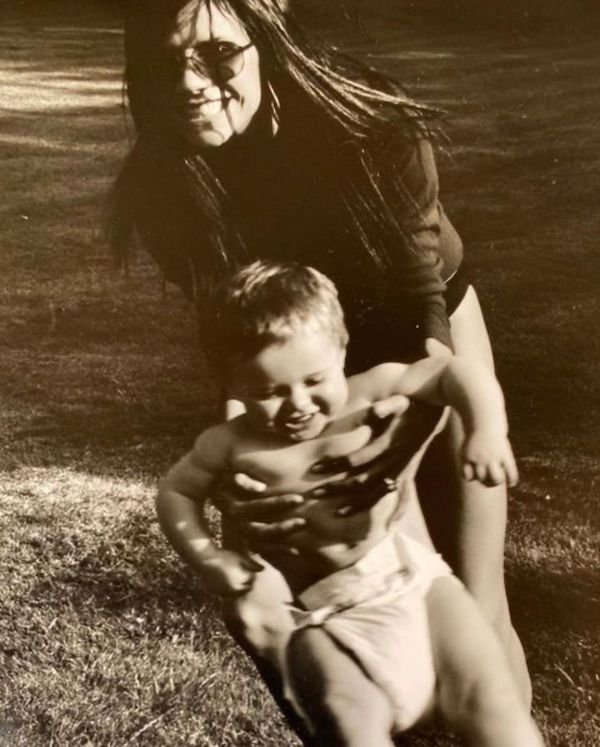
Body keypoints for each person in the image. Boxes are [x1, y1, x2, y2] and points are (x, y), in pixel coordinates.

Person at [113, 0, 530, 704]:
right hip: (297, 360)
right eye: (163, 62)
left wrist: (387, 461)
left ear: (267, 42)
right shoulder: (159, 185)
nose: (187, 82)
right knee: (312, 614)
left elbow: (416, 310)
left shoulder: (368, 125)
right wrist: (253, 475)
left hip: (418, 337)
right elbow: (240, 347)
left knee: (461, 593)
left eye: (217, 55)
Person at [156, 260, 543, 747]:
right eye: (268, 393)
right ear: (230, 384)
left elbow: (453, 372)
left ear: (341, 350)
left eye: (315, 381)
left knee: (489, 700)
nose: (298, 404)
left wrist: (487, 429)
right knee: (351, 720)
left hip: (415, 581)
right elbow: (176, 493)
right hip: (327, 613)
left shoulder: (369, 392)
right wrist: (206, 555)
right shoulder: (230, 445)